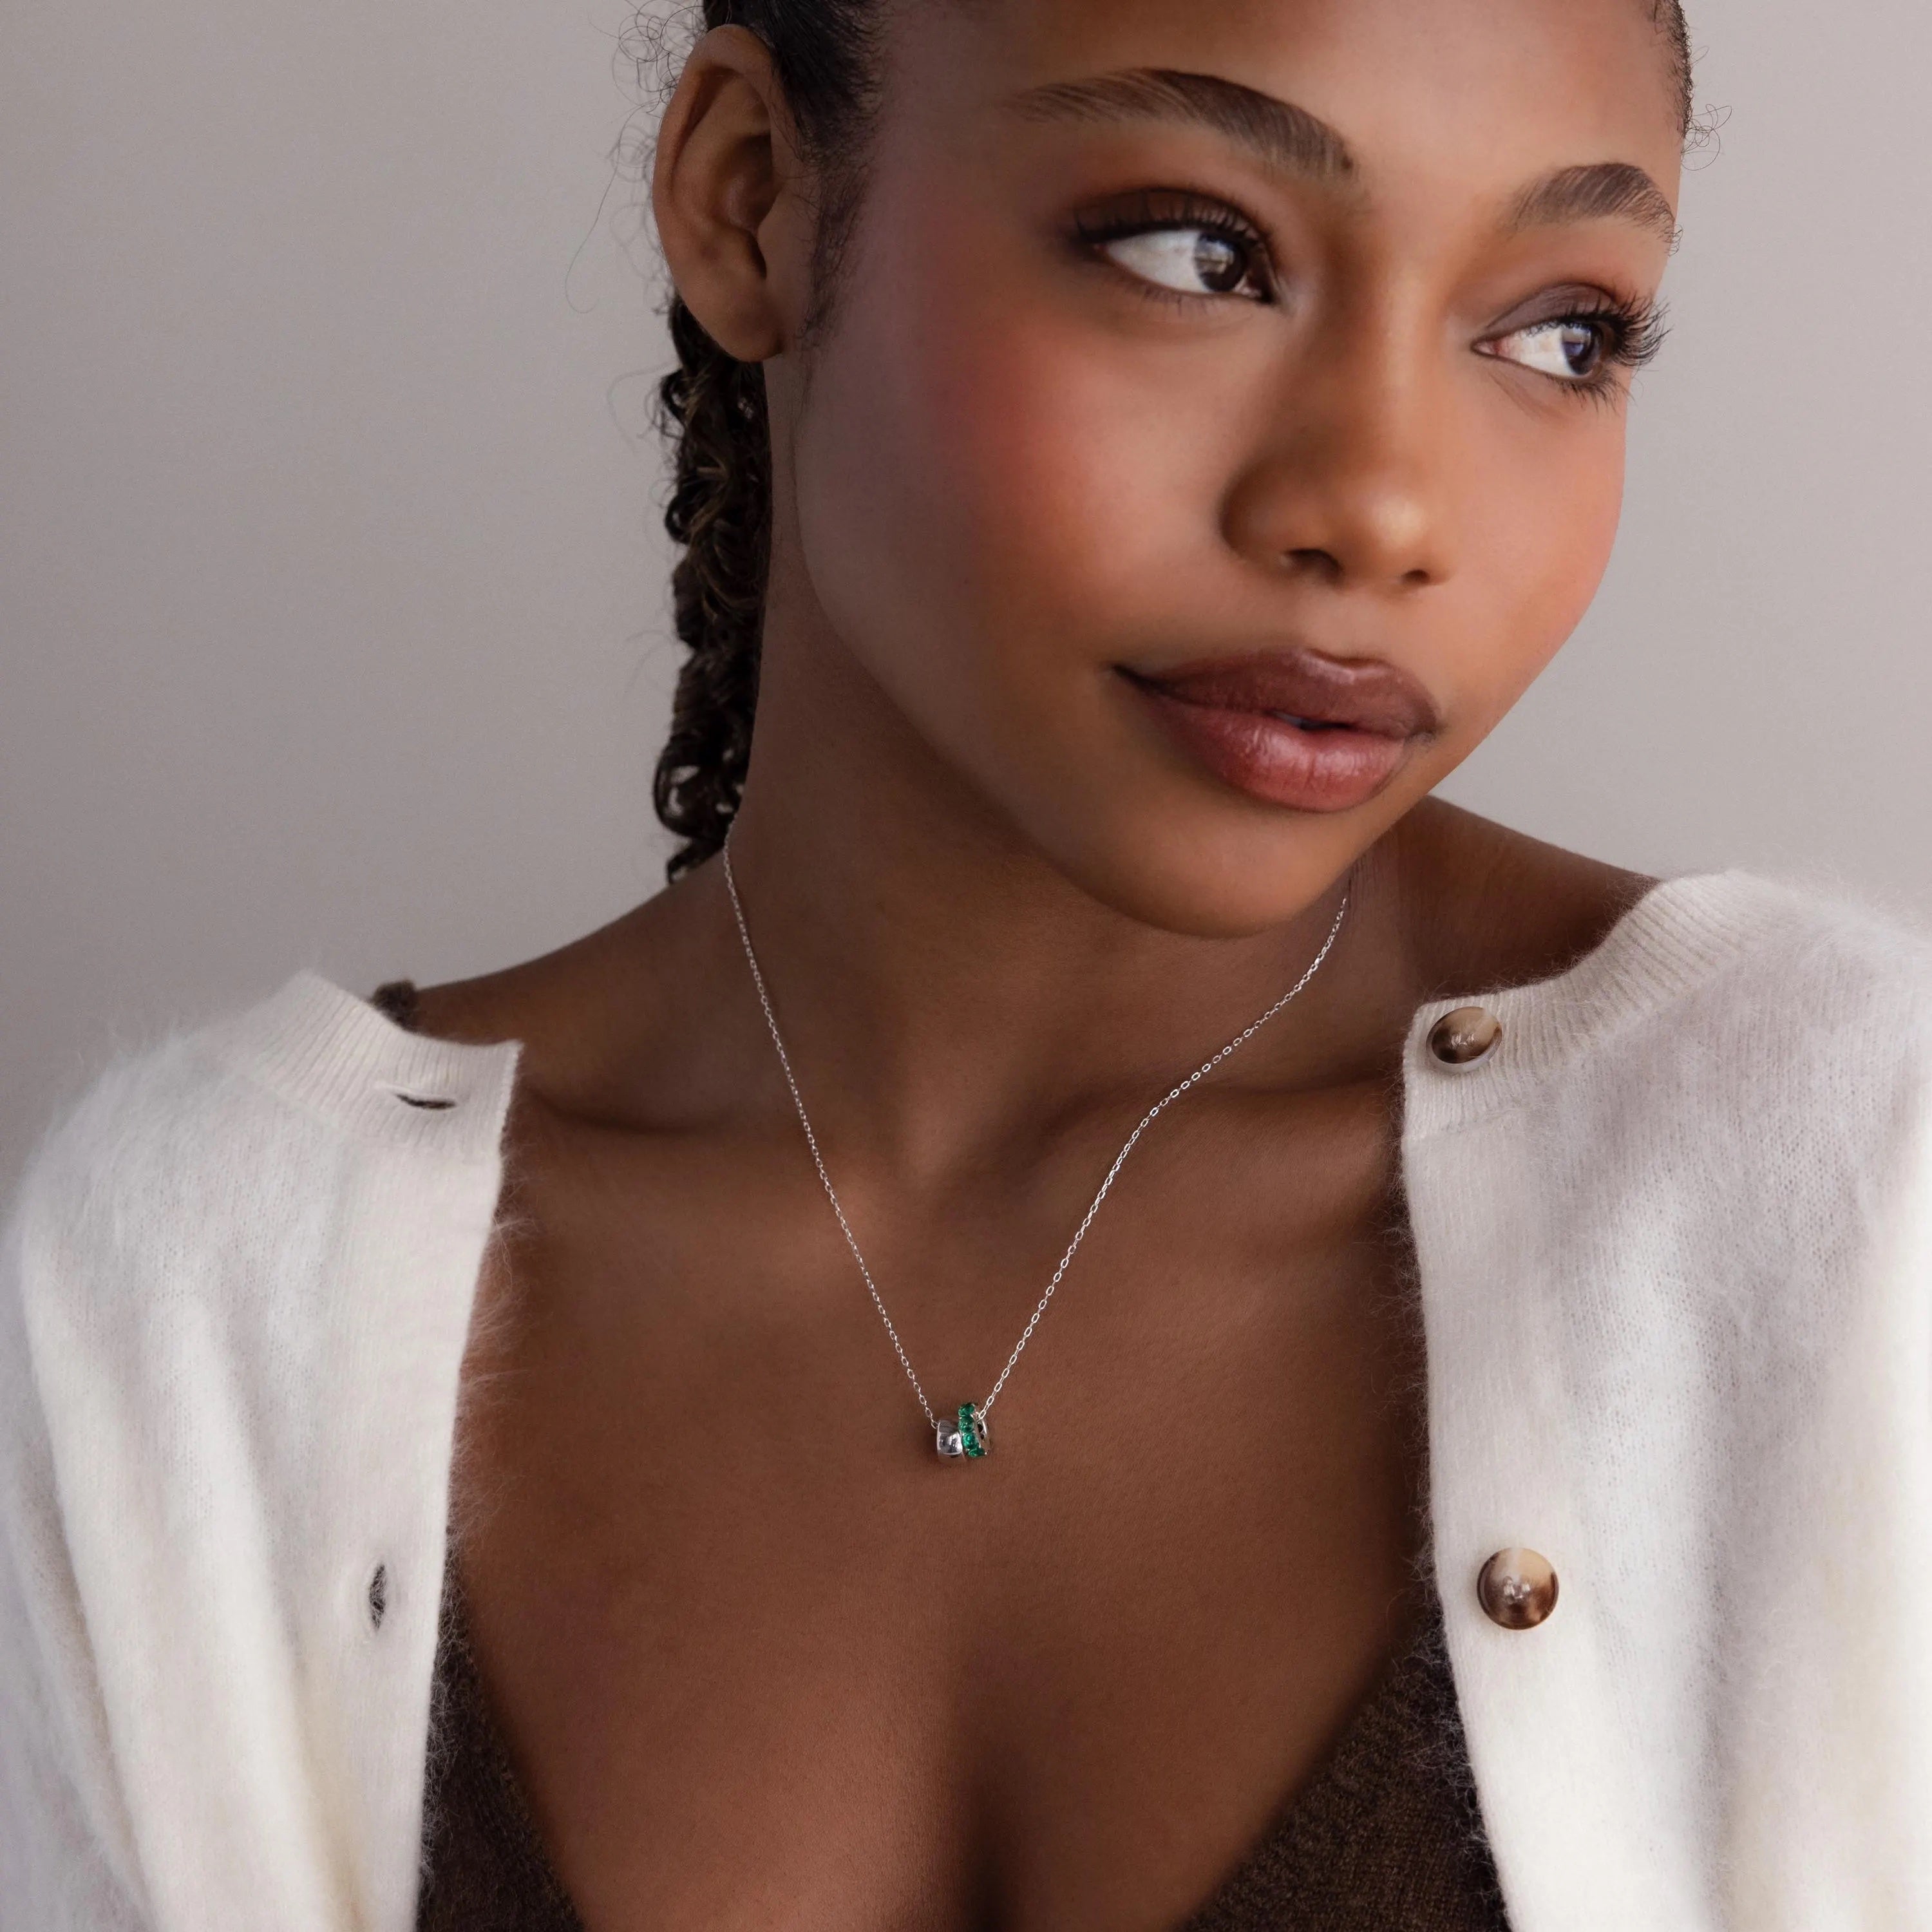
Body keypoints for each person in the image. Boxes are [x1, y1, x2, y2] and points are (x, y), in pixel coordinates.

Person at [5, 0, 1931, 1927]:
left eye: (1563, 333)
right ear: (749, 199)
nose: (1384, 509)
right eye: (1199, 252)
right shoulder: (190, 1309)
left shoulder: (1846, 1200)